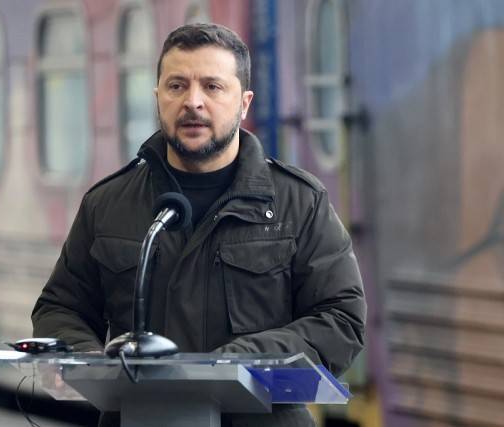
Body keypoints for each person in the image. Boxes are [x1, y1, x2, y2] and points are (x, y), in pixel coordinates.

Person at [32, 23, 366, 427]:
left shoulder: (298, 203)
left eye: (212, 86)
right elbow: (60, 307)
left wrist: (240, 362)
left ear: (244, 103)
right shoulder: (108, 204)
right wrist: (86, 360)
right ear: (158, 97)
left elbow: (340, 319)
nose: (193, 102)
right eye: (176, 86)